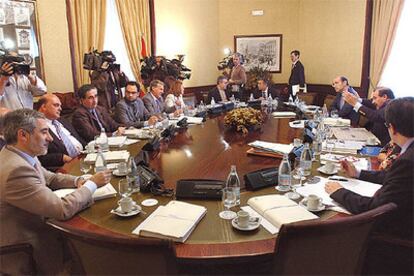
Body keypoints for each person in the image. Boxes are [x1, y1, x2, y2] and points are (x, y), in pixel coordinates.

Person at [0, 108, 111, 275]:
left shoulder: (18, 153)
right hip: (29, 244)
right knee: (99, 251)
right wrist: (92, 185)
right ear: (23, 135)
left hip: (38, 226)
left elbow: (50, 178)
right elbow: (62, 209)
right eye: (44, 132)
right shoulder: (16, 171)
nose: (50, 138)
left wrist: (79, 180)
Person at [325, 97, 413, 274]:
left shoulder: (408, 161)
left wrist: (339, 192)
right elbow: (392, 177)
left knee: (332, 236)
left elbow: (377, 209)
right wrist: (358, 173)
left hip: (397, 240)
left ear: (392, 128)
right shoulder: (408, 153)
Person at [37, 94, 86, 171]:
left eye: (60, 106)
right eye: (56, 105)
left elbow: (77, 138)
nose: (60, 109)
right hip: (65, 167)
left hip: (84, 157)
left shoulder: (62, 120)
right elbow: (38, 157)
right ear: (44, 107)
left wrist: (89, 148)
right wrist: (61, 157)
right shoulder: (36, 126)